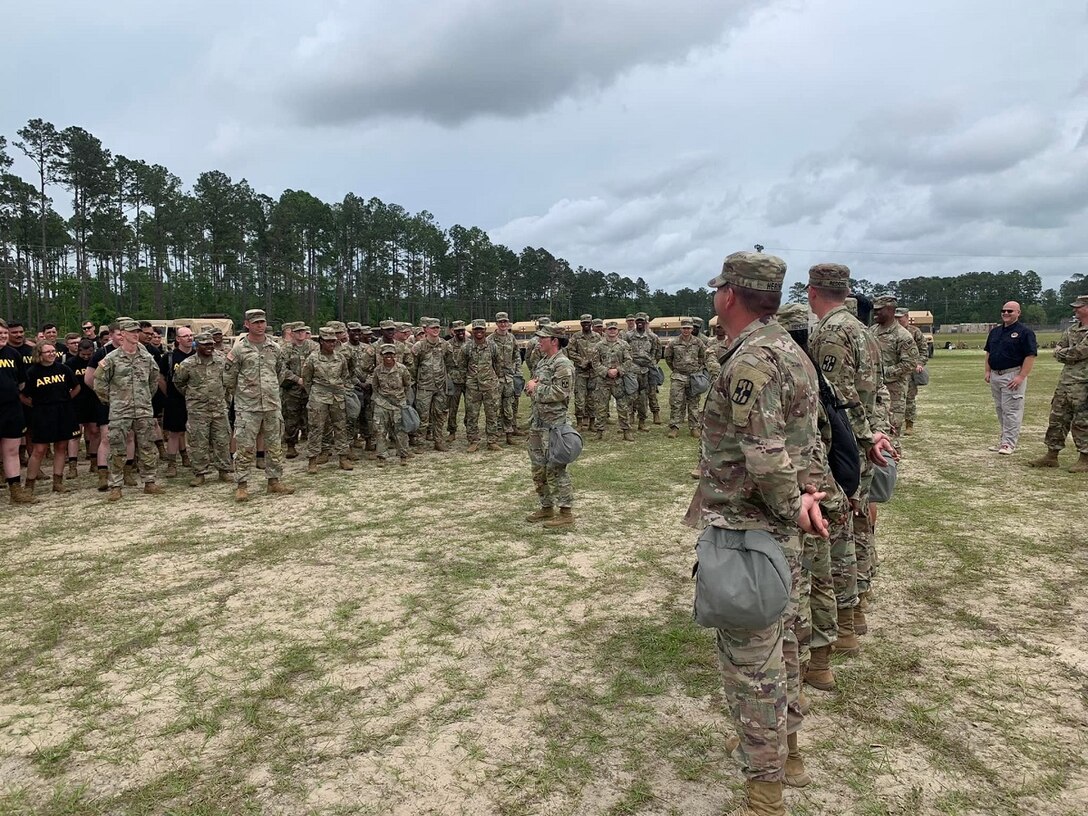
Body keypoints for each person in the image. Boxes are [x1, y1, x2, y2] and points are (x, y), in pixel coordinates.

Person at [684, 250, 826, 816]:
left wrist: (793, 504)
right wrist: (806, 499)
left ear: (728, 296)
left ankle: (764, 795)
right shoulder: (789, 351)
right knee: (785, 648)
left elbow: (766, 457)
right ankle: (785, 754)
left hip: (747, 533)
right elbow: (806, 443)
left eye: (717, 291)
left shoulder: (753, 362)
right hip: (777, 536)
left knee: (752, 671)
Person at [807, 264, 897, 684]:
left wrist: (859, 438)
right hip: (863, 442)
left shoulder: (830, 332)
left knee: (838, 533)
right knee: (860, 523)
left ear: (812, 291)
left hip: (843, 446)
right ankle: (857, 610)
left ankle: (845, 624)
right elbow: (877, 390)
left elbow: (834, 401)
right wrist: (878, 432)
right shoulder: (864, 330)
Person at [225, 309, 294, 502]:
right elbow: (229, 378)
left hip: (271, 405)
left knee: (274, 445)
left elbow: (280, 372)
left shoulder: (274, 348)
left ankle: (274, 481)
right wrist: (246, 393)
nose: (260, 326)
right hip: (248, 407)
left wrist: (269, 389)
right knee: (245, 447)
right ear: (247, 324)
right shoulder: (239, 349)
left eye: (262, 322)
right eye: (255, 323)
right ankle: (242, 485)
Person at [93, 319, 165, 500]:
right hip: (119, 411)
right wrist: (113, 400)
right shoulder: (111, 358)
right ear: (122, 334)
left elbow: (153, 381)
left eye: (137, 331)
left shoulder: (147, 357)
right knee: (117, 448)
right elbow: (99, 383)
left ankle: (149, 482)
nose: (136, 334)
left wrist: (144, 398)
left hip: (143, 409)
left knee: (147, 446)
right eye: (132, 331)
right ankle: (116, 485)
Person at [524, 324, 576, 528]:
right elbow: (537, 383)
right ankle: (546, 507)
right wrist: (532, 386)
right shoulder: (544, 361)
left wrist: (535, 388)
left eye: (543, 338)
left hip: (554, 425)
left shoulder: (563, 364)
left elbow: (559, 393)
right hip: (538, 423)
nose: (539, 341)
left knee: (556, 468)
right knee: (538, 468)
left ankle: (565, 512)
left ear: (554, 341)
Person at [1029, 295, 1088, 471]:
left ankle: (1085, 458)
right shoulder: (1071, 330)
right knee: (1057, 418)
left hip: (1084, 383)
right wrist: (1063, 353)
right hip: (1066, 382)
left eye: (1078, 307)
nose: (1074, 310)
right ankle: (1051, 455)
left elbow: (1079, 352)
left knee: (1082, 421)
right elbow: (1059, 350)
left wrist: (1063, 353)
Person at [21, 341, 80, 495]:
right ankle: (29, 485)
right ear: (39, 355)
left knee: (61, 447)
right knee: (39, 449)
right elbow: (23, 395)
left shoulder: (63, 368)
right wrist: (37, 405)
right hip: (42, 414)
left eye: (53, 351)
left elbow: (76, 387)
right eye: (47, 352)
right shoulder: (32, 372)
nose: (52, 354)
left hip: (63, 412)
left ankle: (58, 482)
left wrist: (65, 401)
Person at [173, 332, 232, 486]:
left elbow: (228, 381)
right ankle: (200, 473)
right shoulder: (187, 364)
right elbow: (179, 383)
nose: (209, 347)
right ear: (197, 346)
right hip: (198, 410)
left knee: (222, 440)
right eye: (205, 344)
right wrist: (193, 396)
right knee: (198, 442)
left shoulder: (221, 361)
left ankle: (224, 470)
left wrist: (225, 399)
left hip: (219, 408)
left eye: (211, 344)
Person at [984, 301, 1037, 455]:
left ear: (1018, 313)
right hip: (995, 374)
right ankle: (1004, 440)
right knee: (1000, 409)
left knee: (1012, 410)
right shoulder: (995, 332)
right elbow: (988, 352)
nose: (1006, 313)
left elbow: (1030, 355)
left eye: (1010, 311)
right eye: (1004, 310)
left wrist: (1021, 376)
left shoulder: (1025, 333)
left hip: (1012, 374)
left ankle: (1009, 444)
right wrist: (987, 371)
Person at [303, 327, 353, 473]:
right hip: (319, 396)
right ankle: (312, 460)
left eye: (333, 341)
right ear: (321, 341)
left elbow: (345, 376)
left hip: (337, 396)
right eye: (328, 341)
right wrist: (314, 394)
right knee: (316, 428)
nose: (331, 344)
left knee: (341, 426)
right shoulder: (312, 358)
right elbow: (307, 379)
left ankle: (343, 458)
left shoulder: (340, 358)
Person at [871, 295, 918, 451]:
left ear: (890, 311)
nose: (875, 313)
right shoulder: (872, 331)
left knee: (891, 432)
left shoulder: (903, 336)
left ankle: (891, 467)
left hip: (894, 393)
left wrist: (883, 373)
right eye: (874, 310)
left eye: (879, 310)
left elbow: (909, 363)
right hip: (873, 391)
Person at [0, 322, 35, 504]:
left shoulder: (13, 354)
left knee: (11, 450)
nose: (3, 336)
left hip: (12, 409)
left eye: (5, 333)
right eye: (0, 333)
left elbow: (22, 383)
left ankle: (15, 491)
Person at [461, 319, 502, 452]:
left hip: (490, 386)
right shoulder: (466, 347)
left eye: (481, 329)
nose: (479, 332)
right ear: (472, 331)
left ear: (485, 331)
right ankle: (473, 441)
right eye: (476, 329)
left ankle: (492, 441)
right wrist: (468, 380)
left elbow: (497, 364)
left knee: (492, 414)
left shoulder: (492, 346)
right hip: (473, 387)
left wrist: (496, 380)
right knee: (472, 415)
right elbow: (462, 366)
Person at [159, 326, 194, 476]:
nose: (189, 338)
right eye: (185, 336)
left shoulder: (198, 355)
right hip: (175, 401)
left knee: (194, 432)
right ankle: (172, 464)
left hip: (195, 401)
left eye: (191, 335)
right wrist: (169, 394)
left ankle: (190, 458)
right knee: (174, 433)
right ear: (178, 339)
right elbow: (160, 378)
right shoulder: (169, 357)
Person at [590, 321, 634, 441]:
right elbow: (595, 362)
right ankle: (599, 431)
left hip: (618, 381)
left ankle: (626, 431)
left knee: (623, 406)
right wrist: (606, 371)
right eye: (610, 329)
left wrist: (618, 370)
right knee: (601, 407)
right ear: (605, 331)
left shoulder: (624, 345)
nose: (612, 331)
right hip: (603, 381)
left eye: (614, 329)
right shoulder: (598, 346)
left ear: (618, 331)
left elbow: (629, 361)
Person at [370, 343, 412, 466]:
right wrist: (381, 399)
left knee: (401, 431)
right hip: (382, 404)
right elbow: (375, 386)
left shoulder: (402, 369)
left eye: (391, 354)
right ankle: (381, 457)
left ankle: (403, 455)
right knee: (380, 430)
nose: (389, 357)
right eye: (386, 354)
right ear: (381, 356)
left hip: (399, 404)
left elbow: (407, 384)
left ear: (395, 356)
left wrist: (401, 399)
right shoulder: (377, 370)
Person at [412, 317, 450, 450]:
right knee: (423, 416)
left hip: (440, 387)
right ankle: (420, 443)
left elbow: (449, 363)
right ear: (426, 329)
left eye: (437, 328)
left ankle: (439, 441)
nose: (435, 330)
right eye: (433, 328)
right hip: (424, 387)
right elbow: (413, 367)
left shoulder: (444, 345)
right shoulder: (419, 346)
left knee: (439, 415)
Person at [664, 317, 706, 438]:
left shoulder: (698, 342)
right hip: (678, 376)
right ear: (680, 329)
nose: (686, 330)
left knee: (694, 403)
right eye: (684, 328)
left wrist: (697, 368)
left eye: (688, 328)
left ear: (692, 329)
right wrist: (676, 369)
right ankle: (674, 427)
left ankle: (694, 428)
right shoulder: (674, 342)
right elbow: (668, 358)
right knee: (676, 403)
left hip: (694, 377)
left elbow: (703, 356)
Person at [626, 312, 661, 431]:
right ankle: (629, 418)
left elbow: (657, 352)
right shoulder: (628, 336)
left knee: (644, 397)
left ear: (645, 322)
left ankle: (642, 421)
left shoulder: (652, 337)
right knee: (630, 395)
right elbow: (624, 351)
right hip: (633, 369)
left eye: (642, 321)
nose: (640, 323)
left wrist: (651, 363)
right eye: (638, 321)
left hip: (647, 370)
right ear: (635, 322)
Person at [896, 308, 928, 436]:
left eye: (900, 318)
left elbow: (924, 350)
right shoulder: (891, 331)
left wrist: (920, 363)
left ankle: (909, 424)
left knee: (909, 399)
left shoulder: (915, 332)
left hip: (910, 371)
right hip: (895, 371)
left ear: (907, 317)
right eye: (896, 318)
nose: (898, 320)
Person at [492, 312, 523, 443]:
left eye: (505, 322)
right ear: (497, 324)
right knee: (494, 407)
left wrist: (518, 372)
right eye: (501, 322)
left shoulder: (512, 338)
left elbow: (517, 355)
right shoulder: (490, 340)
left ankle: (509, 434)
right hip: (496, 379)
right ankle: (496, 432)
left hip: (509, 378)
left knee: (508, 407)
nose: (503, 324)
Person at [567, 314, 600, 431]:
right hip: (581, 372)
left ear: (591, 324)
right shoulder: (576, 337)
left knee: (593, 399)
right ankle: (580, 423)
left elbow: (601, 352)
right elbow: (570, 351)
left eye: (588, 323)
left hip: (594, 373)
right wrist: (582, 362)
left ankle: (592, 423)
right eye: (584, 323)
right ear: (581, 324)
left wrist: (594, 363)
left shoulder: (597, 337)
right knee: (580, 399)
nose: (586, 325)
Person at [445, 320, 468, 441]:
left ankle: (470, 429)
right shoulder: (447, 344)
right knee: (453, 408)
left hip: (469, 380)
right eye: (458, 331)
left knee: (470, 407)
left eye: (462, 330)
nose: (460, 333)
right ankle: (452, 431)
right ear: (453, 331)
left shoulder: (470, 343)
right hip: (454, 380)